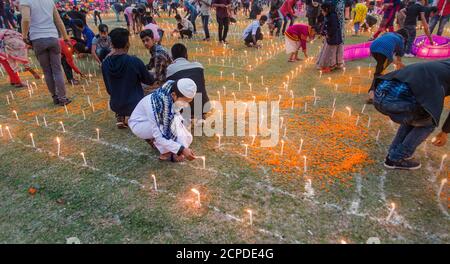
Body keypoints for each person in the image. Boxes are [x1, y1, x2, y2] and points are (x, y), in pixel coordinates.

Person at [373, 59, 450, 170]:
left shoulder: (445, 64)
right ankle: (396, 158)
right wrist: (444, 132)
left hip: (381, 91)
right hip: (399, 98)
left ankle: (393, 153)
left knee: (414, 118)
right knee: (428, 123)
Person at [129, 78, 197, 162]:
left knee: (186, 137)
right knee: (170, 129)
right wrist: (181, 149)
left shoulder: (170, 96)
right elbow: (160, 135)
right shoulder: (157, 106)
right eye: (185, 101)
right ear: (174, 95)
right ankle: (165, 153)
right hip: (140, 124)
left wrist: (182, 148)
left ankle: (166, 147)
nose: (186, 105)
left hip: (152, 121)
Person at [20, 0, 72, 106]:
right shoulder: (49, 1)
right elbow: (58, 21)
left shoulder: (25, 1)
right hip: (53, 37)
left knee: (47, 71)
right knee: (57, 70)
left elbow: (25, 19)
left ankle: (55, 97)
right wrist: (65, 37)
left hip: (37, 39)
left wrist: (24, 36)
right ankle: (63, 98)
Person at [102, 28, 155, 129]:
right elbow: (150, 81)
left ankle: (120, 115)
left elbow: (109, 89)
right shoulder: (134, 61)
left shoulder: (105, 63)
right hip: (135, 105)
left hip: (116, 104)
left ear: (112, 44)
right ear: (127, 43)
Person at [166, 43, 210, 119]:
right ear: (186, 55)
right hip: (203, 105)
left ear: (172, 57)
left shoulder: (170, 69)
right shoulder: (198, 66)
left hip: (183, 109)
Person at [367, 29, 408, 103]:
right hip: (384, 51)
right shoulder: (401, 40)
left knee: (381, 65)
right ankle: (371, 93)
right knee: (378, 72)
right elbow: (399, 60)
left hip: (373, 47)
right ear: (404, 38)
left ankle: (380, 69)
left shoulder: (389, 34)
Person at [316, 3, 344, 73]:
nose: (322, 12)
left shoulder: (332, 16)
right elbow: (325, 25)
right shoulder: (328, 16)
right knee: (331, 51)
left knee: (331, 52)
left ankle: (330, 66)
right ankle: (333, 65)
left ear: (327, 9)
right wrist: (322, 33)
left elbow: (334, 27)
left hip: (334, 37)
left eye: (322, 10)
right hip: (331, 36)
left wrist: (328, 34)